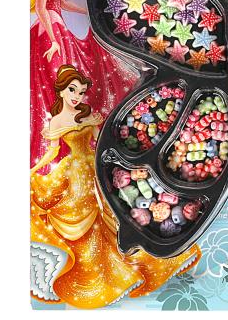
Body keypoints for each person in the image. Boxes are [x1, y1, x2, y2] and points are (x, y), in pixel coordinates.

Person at [30, 65, 200, 307]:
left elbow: (100, 140)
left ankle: (137, 264)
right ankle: (99, 278)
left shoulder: (87, 116)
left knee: (113, 213)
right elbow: (53, 152)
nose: (77, 96)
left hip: (93, 162)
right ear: (61, 91)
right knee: (85, 221)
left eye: (81, 91)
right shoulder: (57, 121)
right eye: (72, 90)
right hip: (75, 173)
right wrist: (34, 170)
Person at [30, 0, 138, 172]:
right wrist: (53, 39)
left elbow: (63, 3)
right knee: (63, 75)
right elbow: (41, 9)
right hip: (51, 30)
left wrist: (88, 10)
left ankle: (83, 133)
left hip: (58, 26)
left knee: (74, 70)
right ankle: (67, 142)